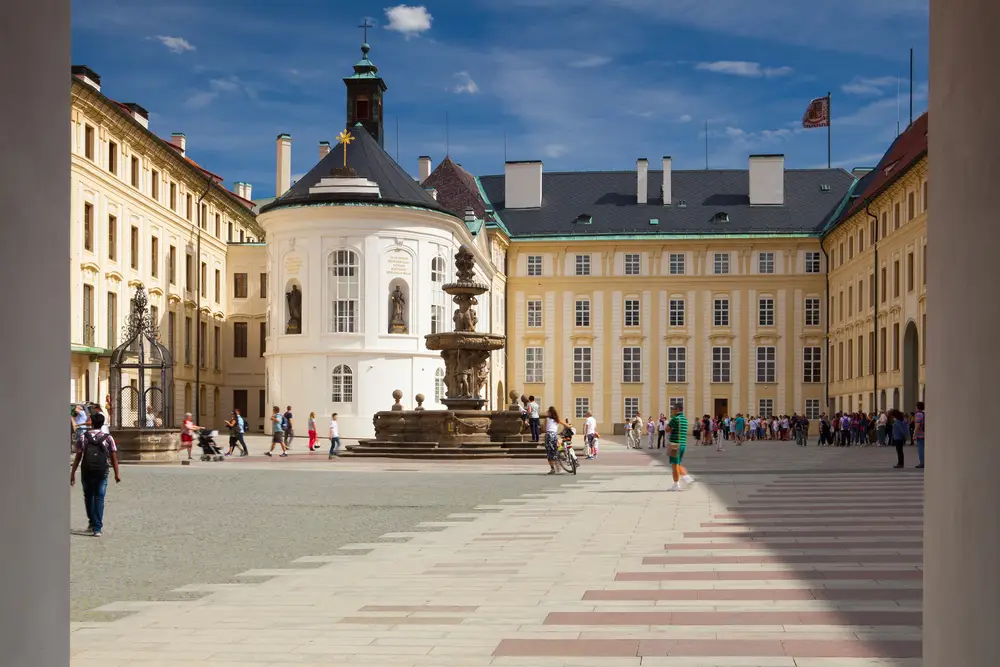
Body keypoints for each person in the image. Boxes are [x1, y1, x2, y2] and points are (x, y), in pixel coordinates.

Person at [70, 412, 120, 537]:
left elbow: (78, 457)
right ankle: (97, 528)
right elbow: (114, 457)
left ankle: (92, 522)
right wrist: (116, 474)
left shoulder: (83, 437)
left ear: (91, 423)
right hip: (102, 471)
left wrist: (72, 473)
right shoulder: (108, 438)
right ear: (103, 424)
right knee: (99, 497)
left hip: (86, 470)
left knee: (88, 496)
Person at [665, 403, 694, 491]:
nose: (672, 411)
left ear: (677, 409)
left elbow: (667, 429)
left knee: (674, 465)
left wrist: (671, 429)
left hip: (675, 444)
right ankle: (687, 478)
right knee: (678, 464)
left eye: (673, 409)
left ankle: (676, 484)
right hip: (683, 444)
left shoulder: (675, 419)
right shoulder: (685, 419)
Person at [543, 406, 572, 475]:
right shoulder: (557, 420)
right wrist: (569, 426)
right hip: (554, 435)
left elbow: (544, 429)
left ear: (550, 413)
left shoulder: (547, 419)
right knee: (556, 449)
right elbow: (566, 425)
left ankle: (553, 468)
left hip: (548, 435)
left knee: (549, 453)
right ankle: (560, 458)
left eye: (548, 412)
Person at [914, 401, 925, 469]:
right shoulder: (924, 414)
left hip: (920, 434)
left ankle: (922, 463)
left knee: (920, 449)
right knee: (924, 448)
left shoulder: (918, 415)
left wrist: (914, 434)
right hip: (924, 433)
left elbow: (917, 425)